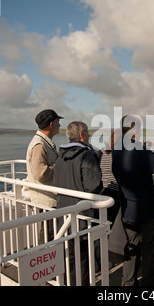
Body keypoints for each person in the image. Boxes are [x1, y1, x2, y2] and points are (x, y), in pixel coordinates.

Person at [112, 115, 154, 286]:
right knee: (148, 249)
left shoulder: (116, 151)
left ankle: (128, 282)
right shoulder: (140, 151)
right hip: (147, 210)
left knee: (131, 246)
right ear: (135, 131)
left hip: (127, 210)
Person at [53, 121, 103, 286]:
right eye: (88, 132)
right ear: (82, 135)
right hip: (82, 214)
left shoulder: (60, 155)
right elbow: (94, 185)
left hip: (63, 212)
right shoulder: (87, 155)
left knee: (69, 255)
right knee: (83, 256)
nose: (89, 135)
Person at [26, 109, 63, 208]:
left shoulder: (44, 142)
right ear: (51, 125)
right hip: (45, 202)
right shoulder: (39, 145)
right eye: (58, 122)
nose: (59, 125)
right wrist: (59, 166)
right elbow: (40, 174)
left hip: (48, 199)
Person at [100, 129, 122, 228]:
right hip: (114, 193)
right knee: (106, 227)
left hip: (103, 191)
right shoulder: (118, 154)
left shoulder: (105, 152)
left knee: (102, 226)